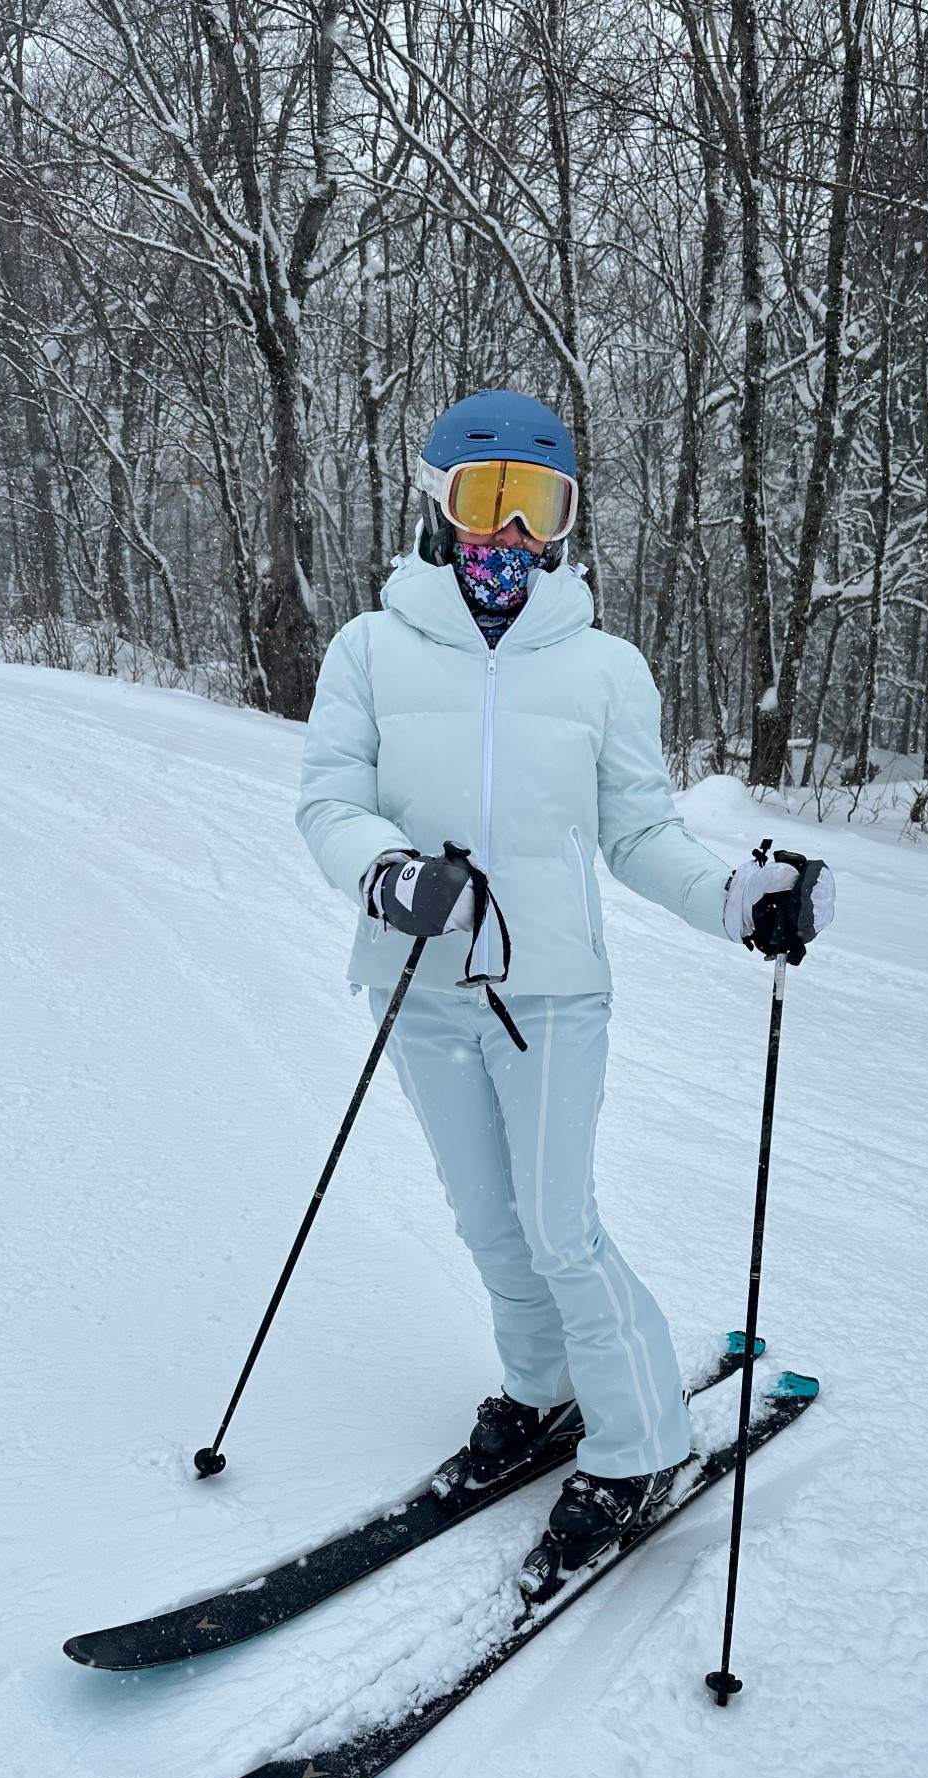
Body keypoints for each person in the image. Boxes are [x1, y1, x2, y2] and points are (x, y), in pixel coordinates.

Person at [296, 390, 832, 1597]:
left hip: (549, 994)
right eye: (485, 499)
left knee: (559, 1224)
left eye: (537, 506)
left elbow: (640, 834)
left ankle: (638, 1442)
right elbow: (330, 801)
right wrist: (386, 873)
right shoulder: (369, 650)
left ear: (567, 520)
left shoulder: (604, 668)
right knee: (489, 1221)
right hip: (416, 982)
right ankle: (540, 1391)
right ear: (433, 503)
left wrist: (742, 894)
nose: (509, 535)